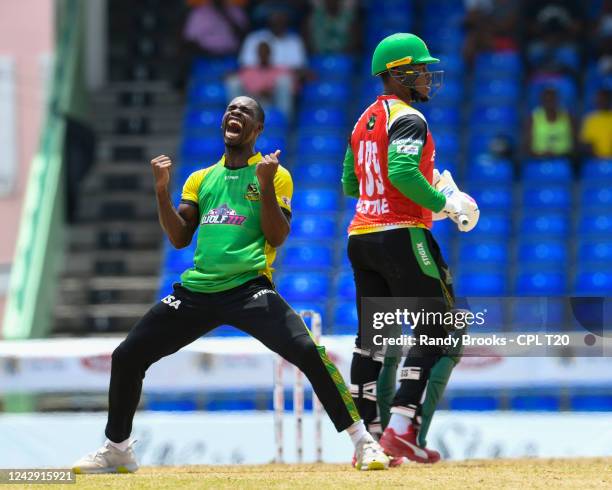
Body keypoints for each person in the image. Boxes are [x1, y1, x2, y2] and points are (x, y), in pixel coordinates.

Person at [72, 96, 389, 473]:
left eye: (245, 112)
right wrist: (161, 192)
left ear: (257, 130)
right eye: (230, 110)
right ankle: (118, 450)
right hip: (196, 292)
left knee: (308, 351)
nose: (234, 114)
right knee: (127, 356)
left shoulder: (275, 174)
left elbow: (277, 236)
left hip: (248, 289)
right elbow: (178, 237)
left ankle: (363, 442)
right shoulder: (201, 179)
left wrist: (266, 186)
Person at [341, 33, 479, 465]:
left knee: (372, 342)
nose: (426, 76)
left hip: (360, 236)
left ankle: (370, 444)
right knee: (439, 325)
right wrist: (445, 203)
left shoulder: (362, 121)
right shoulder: (409, 119)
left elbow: (351, 184)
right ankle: (402, 427)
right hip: (399, 234)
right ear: (397, 74)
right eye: (419, 69)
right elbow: (401, 171)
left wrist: (418, 194)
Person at [226, 41, 294, 118]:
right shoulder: (249, 72)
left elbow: (293, 89)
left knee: (285, 81)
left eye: (265, 52)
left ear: (270, 53)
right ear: (257, 54)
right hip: (253, 103)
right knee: (234, 81)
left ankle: (283, 120)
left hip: (273, 102)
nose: (263, 54)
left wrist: (270, 91)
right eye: (261, 52)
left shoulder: (279, 70)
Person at [526, 86, 576, 159]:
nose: (550, 102)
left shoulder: (568, 117)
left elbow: (574, 145)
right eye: (547, 100)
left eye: (552, 99)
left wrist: (560, 154)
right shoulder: (533, 118)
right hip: (538, 159)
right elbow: (527, 146)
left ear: (557, 100)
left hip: (564, 159)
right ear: (542, 101)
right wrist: (540, 154)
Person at [580, 88, 612, 159]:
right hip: (594, 159)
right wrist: (597, 156)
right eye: (601, 99)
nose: (603, 102)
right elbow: (586, 142)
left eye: (605, 99)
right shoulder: (590, 119)